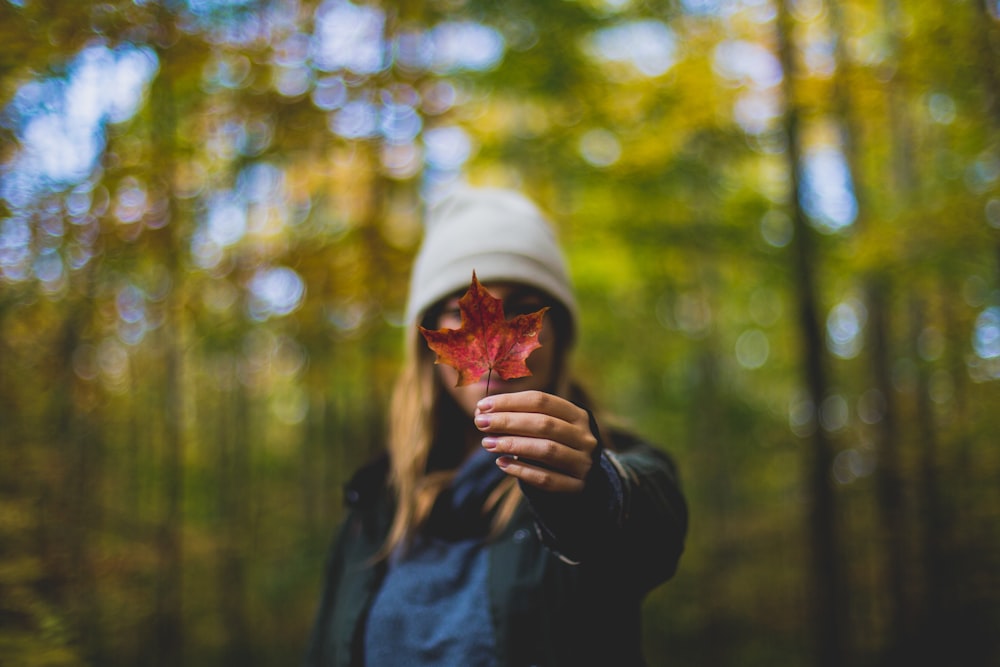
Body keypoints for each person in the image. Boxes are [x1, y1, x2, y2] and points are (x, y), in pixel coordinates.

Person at [303, 186, 688, 667]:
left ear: (558, 337)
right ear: (429, 341)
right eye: (463, 308)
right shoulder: (373, 506)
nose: (493, 334)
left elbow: (648, 528)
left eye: (525, 305)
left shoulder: (601, 464)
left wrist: (590, 490)